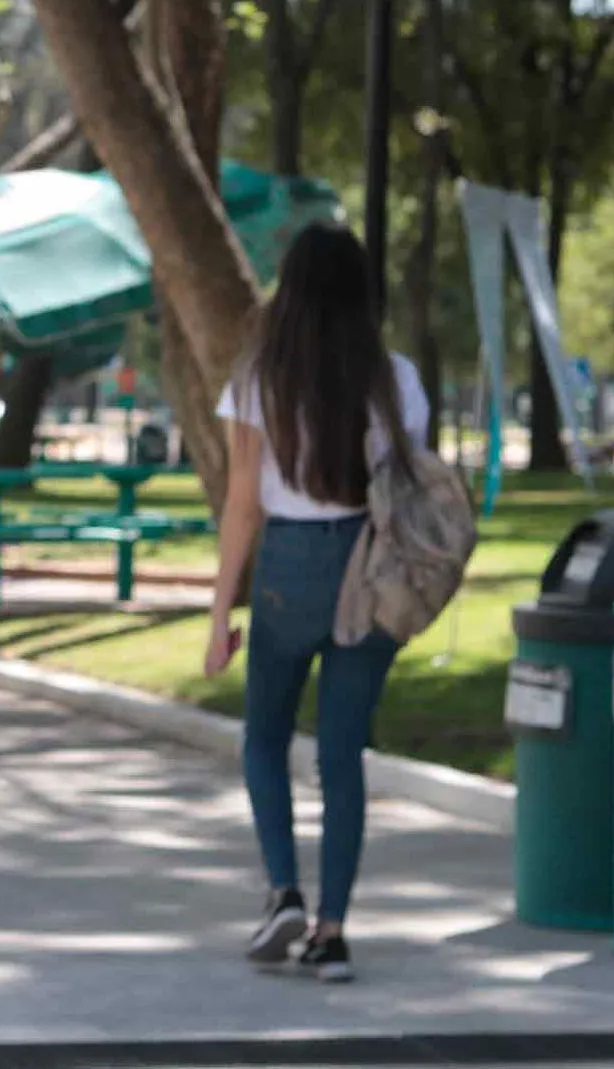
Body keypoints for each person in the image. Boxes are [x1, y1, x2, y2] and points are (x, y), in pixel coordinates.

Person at [203, 223, 429, 984]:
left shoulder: (260, 378)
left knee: (264, 736)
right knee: (342, 757)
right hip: (371, 565)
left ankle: (283, 892)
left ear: (289, 290)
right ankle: (332, 933)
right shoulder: (394, 378)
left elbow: (242, 507)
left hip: (290, 565)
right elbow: (408, 489)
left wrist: (219, 613)